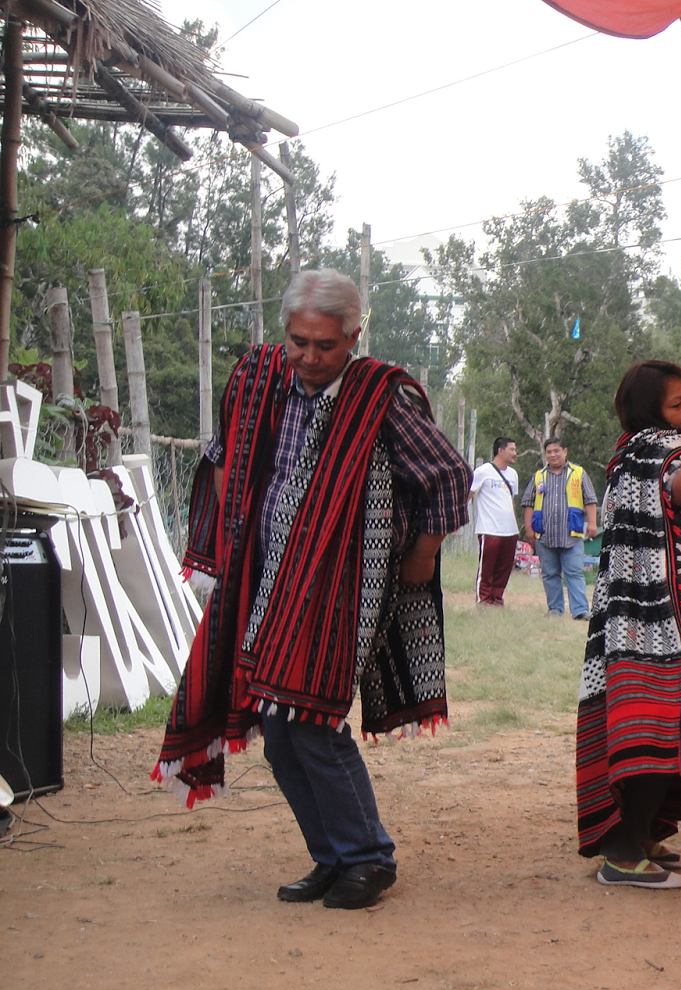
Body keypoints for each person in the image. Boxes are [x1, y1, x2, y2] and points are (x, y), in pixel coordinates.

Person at [155, 269, 470, 910]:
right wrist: (237, 535)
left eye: (325, 346)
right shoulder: (262, 377)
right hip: (267, 578)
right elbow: (222, 455)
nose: (309, 357)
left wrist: (421, 554)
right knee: (276, 727)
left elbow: (448, 476)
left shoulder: (380, 395)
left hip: (338, 587)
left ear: (353, 337)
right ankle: (332, 856)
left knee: (311, 721)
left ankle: (368, 858)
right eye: (300, 341)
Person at [575, 358, 681, 889]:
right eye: (677, 405)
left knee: (664, 725)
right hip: (650, 620)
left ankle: (641, 836)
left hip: (649, 613)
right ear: (651, 412)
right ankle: (623, 853)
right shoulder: (654, 446)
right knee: (656, 724)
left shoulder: (636, 450)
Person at [521, 435, 599, 619]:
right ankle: (555, 609)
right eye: (549, 452)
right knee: (549, 574)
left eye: (556, 451)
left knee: (574, 573)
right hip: (545, 535)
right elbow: (528, 502)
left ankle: (580, 611)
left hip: (571, 535)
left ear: (565, 452)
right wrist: (529, 529)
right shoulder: (539, 476)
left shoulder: (578, 473)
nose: (553, 455)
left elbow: (590, 499)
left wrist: (593, 523)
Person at [469, 436, 519, 605]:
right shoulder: (482, 472)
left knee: (504, 567)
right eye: (511, 449)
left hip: (510, 530)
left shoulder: (513, 474)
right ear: (500, 450)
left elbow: (511, 499)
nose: (515, 453)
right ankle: (483, 600)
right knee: (487, 568)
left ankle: (497, 599)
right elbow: (467, 496)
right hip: (489, 529)